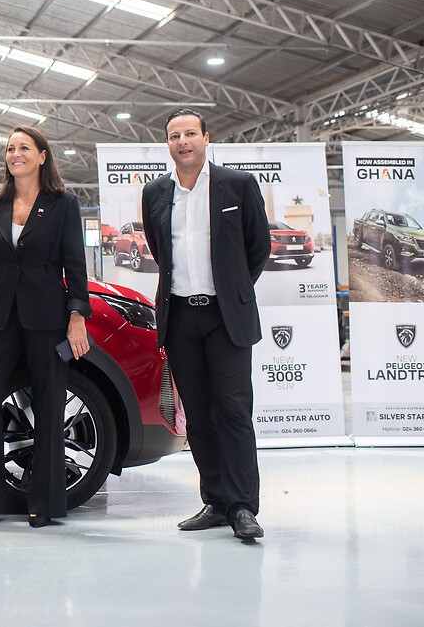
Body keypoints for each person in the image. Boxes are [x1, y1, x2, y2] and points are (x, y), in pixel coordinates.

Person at [141, 107, 270, 542]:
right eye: (175, 135)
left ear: (206, 138)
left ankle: (242, 506)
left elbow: (258, 247)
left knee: (233, 411)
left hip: (224, 316)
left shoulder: (238, 185)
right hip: (180, 316)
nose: (183, 142)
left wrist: (232, 291)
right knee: (197, 416)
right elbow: (162, 252)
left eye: (190, 133)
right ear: (168, 144)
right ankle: (215, 500)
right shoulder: (155, 193)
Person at [0, 125, 92, 528]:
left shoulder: (64, 203)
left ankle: (45, 502)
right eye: (10, 148)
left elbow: (76, 265)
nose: (15, 153)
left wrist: (76, 317)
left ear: (42, 156)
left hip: (47, 317)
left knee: (50, 406)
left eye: (23, 147)